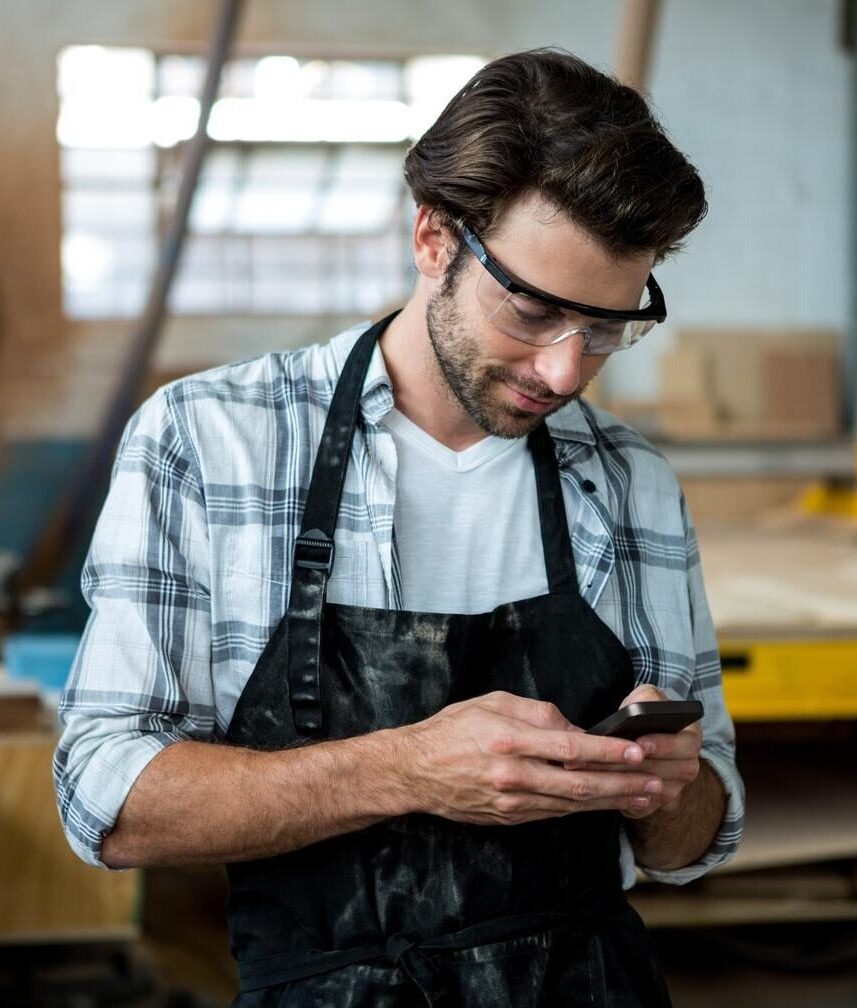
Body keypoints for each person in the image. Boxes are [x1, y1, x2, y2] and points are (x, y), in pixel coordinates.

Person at [55, 48, 744, 1006]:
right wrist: (407, 768)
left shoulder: (628, 481)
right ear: (432, 239)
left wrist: (670, 786)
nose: (563, 371)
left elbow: (693, 839)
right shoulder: (209, 440)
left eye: (605, 329)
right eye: (533, 311)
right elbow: (105, 801)